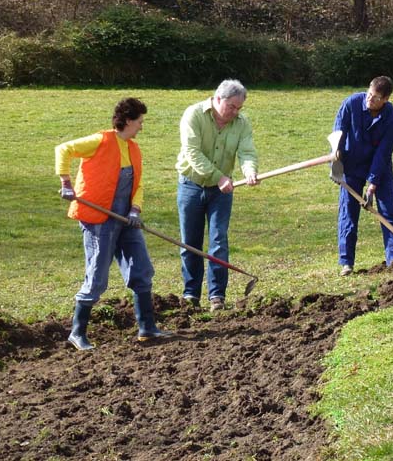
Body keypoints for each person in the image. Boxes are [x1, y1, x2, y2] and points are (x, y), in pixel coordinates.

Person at [56, 97, 171, 350]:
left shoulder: (133, 148)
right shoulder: (100, 141)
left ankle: (147, 328)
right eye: (140, 121)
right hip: (99, 220)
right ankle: (77, 332)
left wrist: (135, 209)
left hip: (126, 219)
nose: (142, 126)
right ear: (128, 120)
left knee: (141, 268)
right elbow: (63, 149)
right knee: (97, 275)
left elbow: (137, 183)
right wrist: (66, 182)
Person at [176, 80, 259, 312]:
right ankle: (191, 294)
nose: (235, 112)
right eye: (232, 107)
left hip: (221, 192)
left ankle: (217, 296)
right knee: (189, 242)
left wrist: (250, 170)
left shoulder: (241, 124)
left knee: (219, 241)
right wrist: (218, 176)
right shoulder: (193, 115)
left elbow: (247, 151)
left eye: (239, 108)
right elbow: (192, 152)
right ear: (218, 99)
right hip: (191, 185)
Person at [333, 76, 393, 276]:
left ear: (386, 99)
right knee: (348, 212)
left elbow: (383, 153)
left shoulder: (392, 119)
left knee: (387, 210)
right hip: (351, 165)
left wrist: (373, 183)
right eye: (369, 94)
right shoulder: (351, 103)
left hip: (379, 166)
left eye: (375, 98)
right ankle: (346, 262)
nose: (369, 100)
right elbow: (338, 132)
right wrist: (336, 160)